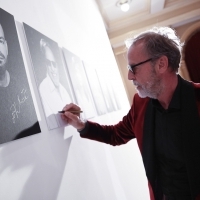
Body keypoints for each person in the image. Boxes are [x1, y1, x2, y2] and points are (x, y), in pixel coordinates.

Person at [61, 27, 200, 200]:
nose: (129, 76)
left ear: (161, 64)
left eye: (133, 68)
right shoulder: (140, 104)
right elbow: (116, 134)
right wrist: (82, 125)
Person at [39, 39, 71, 129]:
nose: (52, 69)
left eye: (54, 64)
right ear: (45, 65)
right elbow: (53, 126)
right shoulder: (43, 89)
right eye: (49, 64)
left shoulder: (64, 90)